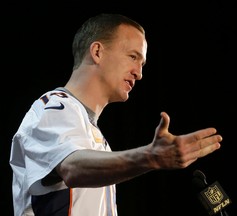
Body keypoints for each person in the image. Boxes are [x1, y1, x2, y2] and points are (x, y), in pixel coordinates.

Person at [9, 13, 222, 216]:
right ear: (97, 52)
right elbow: (72, 168)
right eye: (133, 56)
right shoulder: (52, 107)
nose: (139, 73)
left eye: (142, 64)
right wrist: (151, 157)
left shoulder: (98, 140)